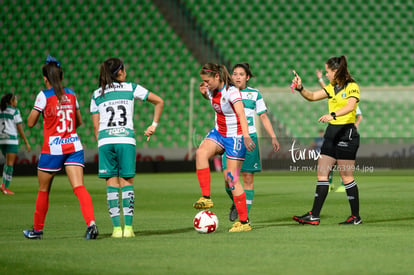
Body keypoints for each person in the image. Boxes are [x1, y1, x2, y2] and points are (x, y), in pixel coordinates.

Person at [24, 55, 98, 240]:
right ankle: (91, 224)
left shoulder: (43, 95)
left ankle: (38, 230)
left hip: (52, 149)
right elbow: (79, 121)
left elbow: (31, 123)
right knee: (79, 187)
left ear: (45, 78)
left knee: (43, 190)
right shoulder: (71, 94)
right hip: (73, 145)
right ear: (61, 76)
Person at [90, 57, 164, 238]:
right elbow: (159, 101)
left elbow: (95, 127)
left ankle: (116, 230)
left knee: (111, 183)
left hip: (106, 141)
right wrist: (153, 125)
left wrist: (103, 141)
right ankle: (128, 229)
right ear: (120, 71)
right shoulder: (131, 87)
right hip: (125, 139)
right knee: (127, 183)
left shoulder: (96, 94)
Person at [292, 55, 362, 225]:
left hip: (347, 133)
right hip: (331, 133)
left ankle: (355, 217)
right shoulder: (332, 87)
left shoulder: (352, 87)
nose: (326, 74)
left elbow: (350, 106)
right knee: (322, 173)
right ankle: (314, 215)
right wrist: (301, 88)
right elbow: (312, 96)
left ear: (336, 71)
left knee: (346, 176)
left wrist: (332, 115)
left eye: (328, 71)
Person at [194, 63, 255, 232]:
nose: (205, 84)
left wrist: (246, 135)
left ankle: (244, 223)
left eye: (207, 81)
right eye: (203, 81)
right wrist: (204, 95)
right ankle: (206, 197)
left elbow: (241, 113)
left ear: (217, 77)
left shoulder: (232, 92)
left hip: (235, 137)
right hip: (219, 134)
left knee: (231, 179)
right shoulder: (210, 90)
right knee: (200, 153)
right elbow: (216, 102)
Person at [222, 63, 280, 222]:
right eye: (235, 74)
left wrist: (273, 136)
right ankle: (236, 201)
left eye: (241, 74)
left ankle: (243, 217)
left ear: (247, 77)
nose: (237, 77)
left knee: (247, 178)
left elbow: (263, 116)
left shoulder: (254, 94)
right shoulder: (226, 92)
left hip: (250, 139)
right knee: (228, 178)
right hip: (230, 138)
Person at [316, 69, 363, 193]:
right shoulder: (334, 94)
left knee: (344, 167)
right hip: (333, 133)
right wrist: (320, 79)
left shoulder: (351, 100)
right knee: (328, 166)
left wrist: (355, 125)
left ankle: (344, 184)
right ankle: (330, 184)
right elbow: (325, 91)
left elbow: (357, 113)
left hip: (346, 133)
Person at [0, 93, 31, 195]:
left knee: (7, 162)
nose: (16, 102)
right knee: (10, 164)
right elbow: (19, 128)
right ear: (11, 102)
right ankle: (5, 187)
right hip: (11, 140)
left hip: (2, 140)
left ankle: (3, 185)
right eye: (15, 100)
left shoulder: (1, 110)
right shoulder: (15, 111)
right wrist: (26, 141)